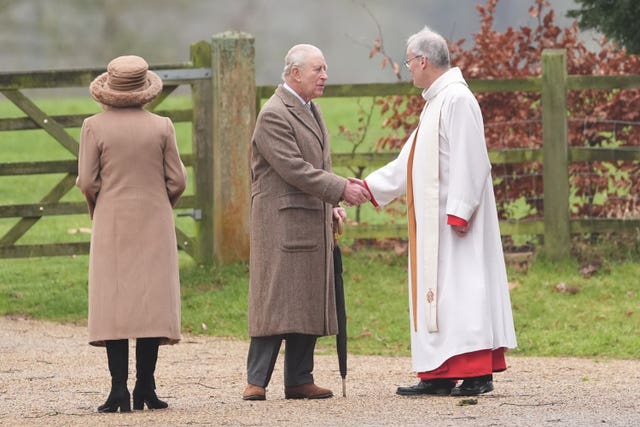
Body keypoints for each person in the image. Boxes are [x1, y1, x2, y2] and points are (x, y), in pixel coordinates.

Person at [357, 26, 517, 396]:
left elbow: (472, 160)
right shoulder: (435, 103)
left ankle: (477, 372)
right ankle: (440, 373)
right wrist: (367, 188)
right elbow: (408, 163)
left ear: (423, 61)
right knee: (442, 299)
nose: (408, 68)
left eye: (409, 62)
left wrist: (460, 211)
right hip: (434, 225)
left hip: (456, 224)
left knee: (464, 292)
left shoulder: (458, 100)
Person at [242, 44, 370, 401]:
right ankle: (256, 380)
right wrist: (340, 189)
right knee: (275, 299)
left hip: (310, 218)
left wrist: (331, 204)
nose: (325, 75)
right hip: (280, 223)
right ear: (295, 73)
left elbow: (317, 167)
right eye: (318, 69)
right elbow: (294, 168)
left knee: (307, 298)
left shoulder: (312, 110)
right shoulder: (273, 114)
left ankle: (299, 378)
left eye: (325, 68)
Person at [77, 55, 187, 412]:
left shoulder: (93, 127)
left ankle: (117, 390)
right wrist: (160, 202)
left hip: (112, 220)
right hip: (155, 219)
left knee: (115, 304)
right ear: (144, 90)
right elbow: (178, 180)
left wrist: (101, 206)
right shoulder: (162, 126)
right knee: (151, 304)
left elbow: (87, 181)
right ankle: (147, 387)